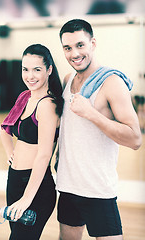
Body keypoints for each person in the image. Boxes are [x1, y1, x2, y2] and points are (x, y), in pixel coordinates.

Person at [55, 19, 142, 240]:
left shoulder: (111, 83)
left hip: (98, 191)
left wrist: (92, 113)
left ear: (93, 43)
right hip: (67, 186)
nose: (74, 53)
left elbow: (135, 139)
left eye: (80, 45)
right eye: (68, 48)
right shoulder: (68, 80)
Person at [0, 44, 64, 240]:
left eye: (37, 69)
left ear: (49, 70)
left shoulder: (47, 104)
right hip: (15, 180)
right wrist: (11, 154)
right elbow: (5, 129)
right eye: (25, 69)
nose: (30, 76)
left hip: (35, 187)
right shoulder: (25, 97)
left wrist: (27, 198)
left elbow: (44, 154)